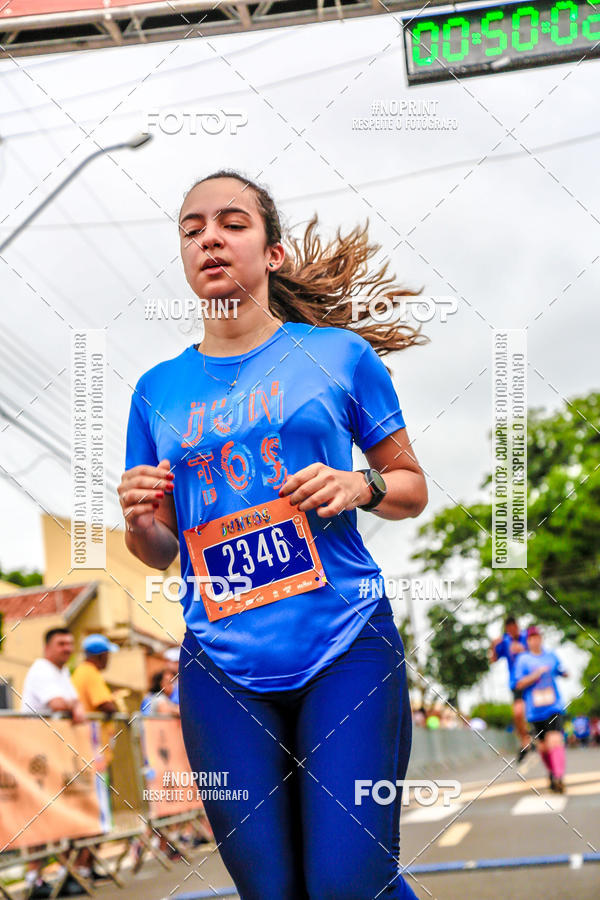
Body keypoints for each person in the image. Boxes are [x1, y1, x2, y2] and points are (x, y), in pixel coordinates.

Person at [120, 170, 429, 898]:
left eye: (232, 224)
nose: (210, 239)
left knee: (346, 885)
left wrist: (360, 484)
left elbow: (410, 487)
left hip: (346, 646)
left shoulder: (339, 356)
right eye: (192, 229)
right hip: (222, 667)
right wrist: (140, 522)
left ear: (273, 253)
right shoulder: (156, 391)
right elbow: (160, 552)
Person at [21, 629, 86, 898]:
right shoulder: (42, 670)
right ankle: (33, 879)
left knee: (62, 813)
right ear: (47, 646)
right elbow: (58, 703)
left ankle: (64, 873)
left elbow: (72, 703)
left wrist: (75, 705)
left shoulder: (62, 672)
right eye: (61, 643)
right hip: (37, 755)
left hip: (55, 755)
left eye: (70, 643)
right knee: (40, 815)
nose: (67, 648)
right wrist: (75, 705)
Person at [514, 625, 568, 793]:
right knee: (543, 747)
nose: (535, 641)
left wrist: (564, 673)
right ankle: (552, 773)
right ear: (528, 641)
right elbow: (519, 683)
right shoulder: (523, 660)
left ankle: (558, 776)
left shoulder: (551, 656)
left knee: (555, 740)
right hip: (535, 710)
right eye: (531, 638)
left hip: (553, 706)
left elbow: (561, 670)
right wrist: (535, 675)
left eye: (537, 637)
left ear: (541, 639)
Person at [490, 615, 531, 762]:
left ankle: (540, 736)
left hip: (533, 680)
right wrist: (493, 645)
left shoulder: (527, 636)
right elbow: (493, 659)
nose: (512, 631)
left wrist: (524, 649)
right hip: (517, 682)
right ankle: (525, 741)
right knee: (517, 713)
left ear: (517, 626)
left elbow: (538, 652)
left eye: (514, 627)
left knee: (536, 712)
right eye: (509, 629)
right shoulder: (505, 641)